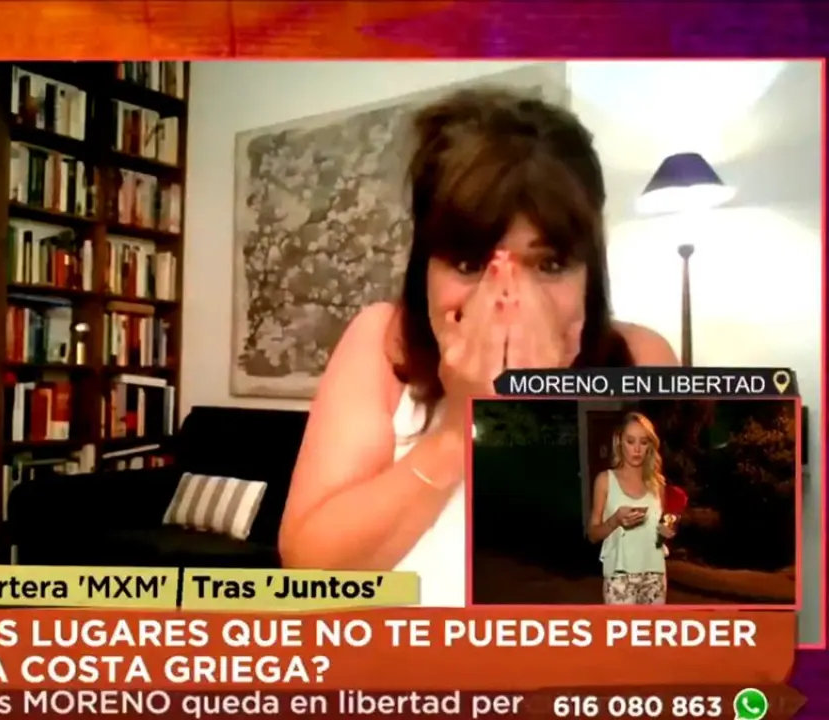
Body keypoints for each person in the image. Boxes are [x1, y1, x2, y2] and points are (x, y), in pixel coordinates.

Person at [279, 87, 679, 605]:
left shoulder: (641, 357)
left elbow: (654, 575)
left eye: (549, 264)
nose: (507, 300)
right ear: (425, 266)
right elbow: (309, 568)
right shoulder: (383, 342)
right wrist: (458, 428)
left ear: (589, 272)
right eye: (470, 264)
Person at [587, 412, 674, 604]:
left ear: (650, 446)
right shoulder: (605, 480)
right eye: (630, 441)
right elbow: (592, 534)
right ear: (619, 442)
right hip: (619, 578)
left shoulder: (657, 484)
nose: (637, 449)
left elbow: (659, 536)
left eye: (643, 442)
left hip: (655, 576)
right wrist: (615, 521)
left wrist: (666, 530)